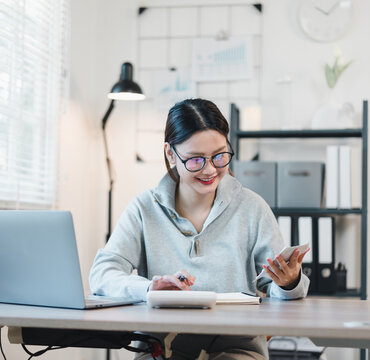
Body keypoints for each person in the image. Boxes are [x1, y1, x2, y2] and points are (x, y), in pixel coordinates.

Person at [90, 98, 310, 360]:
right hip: (161, 349)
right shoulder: (143, 208)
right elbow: (103, 274)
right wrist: (149, 289)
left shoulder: (252, 208)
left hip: (236, 349)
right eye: (195, 160)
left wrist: (289, 283)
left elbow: (276, 291)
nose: (210, 170)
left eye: (219, 156)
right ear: (171, 154)